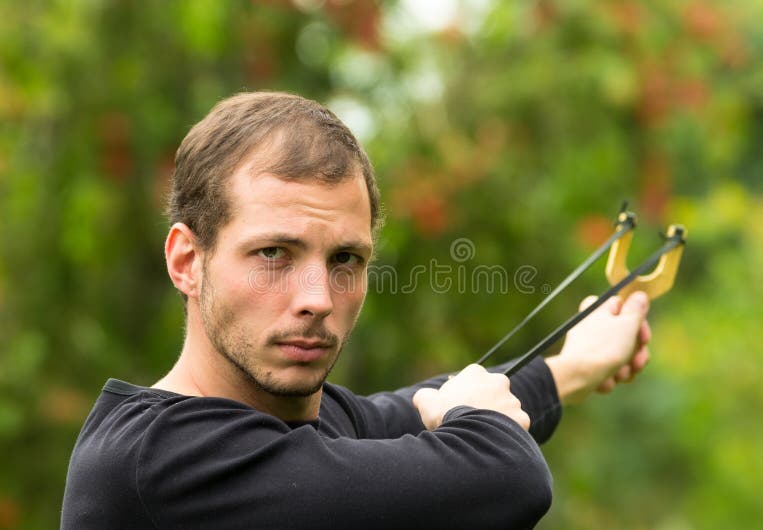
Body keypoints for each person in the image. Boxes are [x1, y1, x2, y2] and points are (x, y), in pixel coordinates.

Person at [60, 92, 652, 529]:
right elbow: (505, 477)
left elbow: (408, 411)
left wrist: (576, 365)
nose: (318, 298)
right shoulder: (159, 458)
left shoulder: (297, 424)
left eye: (345, 259)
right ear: (187, 261)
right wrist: (480, 419)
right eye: (274, 254)